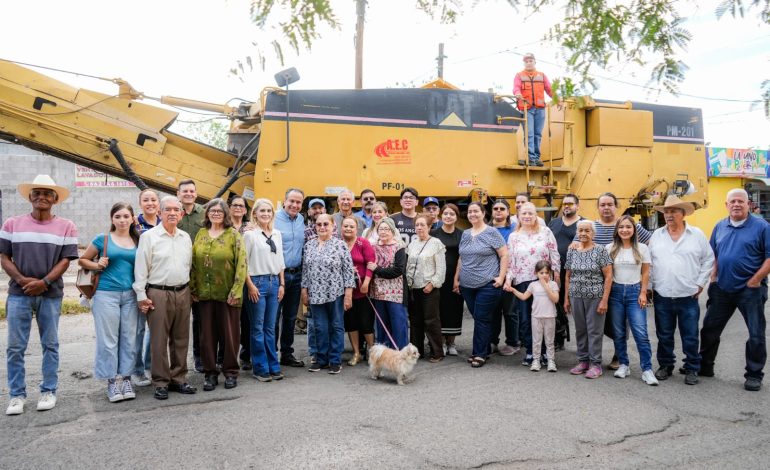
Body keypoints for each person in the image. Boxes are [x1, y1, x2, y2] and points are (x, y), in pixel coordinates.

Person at [2, 175, 78, 415]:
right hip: (19, 293)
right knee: (15, 347)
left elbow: (66, 260)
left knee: (51, 344)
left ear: (55, 199)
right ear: (30, 197)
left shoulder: (67, 226)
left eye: (47, 194)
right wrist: (24, 281)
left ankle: (49, 390)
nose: (42, 197)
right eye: (37, 193)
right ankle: (16, 395)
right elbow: (4, 257)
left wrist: (44, 282)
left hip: (50, 294)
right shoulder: (12, 223)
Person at [700, 189, 770, 391]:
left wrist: (756, 279)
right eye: (733, 201)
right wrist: (713, 277)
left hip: (751, 289)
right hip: (722, 288)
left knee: (756, 334)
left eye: (741, 201)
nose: (736, 204)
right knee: (710, 329)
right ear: (726, 204)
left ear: (749, 204)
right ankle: (705, 366)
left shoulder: (762, 227)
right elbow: (713, 253)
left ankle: (754, 374)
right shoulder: (720, 226)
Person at [133, 196, 197, 400]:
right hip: (158, 292)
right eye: (167, 209)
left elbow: (188, 266)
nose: (171, 213)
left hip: (183, 291)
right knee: (158, 339)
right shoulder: (149, 237)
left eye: (176, 210)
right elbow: (141, 268)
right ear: (160, 213)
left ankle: (179, 378)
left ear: (181, 214)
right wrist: (141, 295)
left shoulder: (185, 237)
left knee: (181, 338)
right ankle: (160, 381)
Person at [648, 195, 714, 385]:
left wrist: (701, 283)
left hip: (688, 295)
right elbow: (650, 264)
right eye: (667, 212)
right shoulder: (657, 236)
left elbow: (708, 259)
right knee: (664, 334)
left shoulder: (697, 235)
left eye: (674, 211)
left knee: (690, 335)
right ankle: (666, 365)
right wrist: (651, 287)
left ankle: (692, 367)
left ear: (683, 213)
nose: (669, 215)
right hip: (663, 294)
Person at [79, 202, 141, 402]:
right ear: (112, 219)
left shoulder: (138, 240)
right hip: (106, 295)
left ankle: (127, 379)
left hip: (131, 295)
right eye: (118, 216)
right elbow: (83, 260)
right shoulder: (103, 239)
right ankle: (112, 382)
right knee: (108, 340)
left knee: (129, 339)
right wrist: (97, 264)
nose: (122, 220)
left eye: (126, 216)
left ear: (133, 218)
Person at [588, 192, 652, 370]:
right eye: (603, 204)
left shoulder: (639, 240)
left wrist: (643, 291)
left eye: (610, 204)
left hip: (632, 289)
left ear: (616, 206)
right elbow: (580, 242)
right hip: (606, 288)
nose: (606, 207)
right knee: (611, 326)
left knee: (635, 330)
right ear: (598, 207)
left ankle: (640, 366)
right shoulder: (596, 231)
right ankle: (617, 361)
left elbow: (647, 266)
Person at [190, 198, 247, 391]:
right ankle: (210, 373)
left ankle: (230, 372)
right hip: (204, 295)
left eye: (219, 211)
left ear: (226, 214)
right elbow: (193, 263)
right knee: (207, 336)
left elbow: (241, 264)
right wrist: (193, 289)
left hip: (228, 295)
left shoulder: (233, 235)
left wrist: (236, 290)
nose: (215, 213)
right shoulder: (200, 234)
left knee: (229, 336)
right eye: (212, 210)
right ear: (207, 214)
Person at [505, 202, 560, 366]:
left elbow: (554, 253)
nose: (527, 216)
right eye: (524, 214)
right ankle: (531, 351)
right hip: (523, 281)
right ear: (519, 216)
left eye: (531, 213)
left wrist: (556, 274)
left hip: (543, 280)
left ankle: (544, 352)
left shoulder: (545, 232)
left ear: (536, 215)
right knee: (526, 319)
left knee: (544, 317)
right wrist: (509, 278)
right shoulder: (514, 236)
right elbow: (511, 261)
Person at [606, 215, 658, 386]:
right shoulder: (610, 248)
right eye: (621, 227)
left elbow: (645, 273)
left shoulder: (642, 248)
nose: (624, 230)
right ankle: (623, 364)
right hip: (615, 292)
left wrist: (643, 293)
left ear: (634, 230)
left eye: (628, 227)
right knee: (619, 332)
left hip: (635, 292)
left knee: (640, 333)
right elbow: (606, 274)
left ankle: (647, 369)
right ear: (617, 230)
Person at [456, 202, 508, 368]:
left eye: (476, 211)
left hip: (487, 283)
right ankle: (484, 348)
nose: (472, 214)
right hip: (466, 285)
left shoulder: (492, 232)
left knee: (481, 319)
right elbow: (461, 258)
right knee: (479, 317)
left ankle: (478, 354)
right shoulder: (465, 234)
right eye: (470, 212)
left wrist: (501, 278)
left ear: (483, 213)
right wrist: (456, 279)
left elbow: (505, 255)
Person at [301, 214, 355, 374]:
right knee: (320, 327)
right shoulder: (309, 245)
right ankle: (321, 359)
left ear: (333, 226)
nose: (322, 227)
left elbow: (348, 271)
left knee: (336, 326)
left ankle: (335, 360)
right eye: (319, 224)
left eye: (326, 224)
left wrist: (348, 294)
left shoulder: (340, 245)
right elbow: (305, 269)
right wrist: (304, 290)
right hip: (315, 293)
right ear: (315, 227)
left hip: (335, 292)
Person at [564, 220, 613, 379]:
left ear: (593, 233)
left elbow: (608, 276)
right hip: (576, 295)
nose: (583, 233)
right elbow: (568, 275)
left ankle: (596, 364)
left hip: (595, 296)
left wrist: (604, 300)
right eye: (581, 230)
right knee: (581, 330)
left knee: (594, 331)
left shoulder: (600, 250)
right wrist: (566, 298)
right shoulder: (572, 250)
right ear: (577, 232)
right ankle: (583, 361)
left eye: (587, 231)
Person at [243, 199, 286, 382]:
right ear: (255, 214)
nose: (266, 214)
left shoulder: (276, 233)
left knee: (270, 327)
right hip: (257, 282)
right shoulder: (250, 235)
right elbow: (243, 263)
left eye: (269, 211)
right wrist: (250, 285)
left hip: (274, 281)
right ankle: (260, 367)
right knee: (258, 327)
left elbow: (280, 261)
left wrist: (282, 284)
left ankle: (273, 365)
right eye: (262, 211)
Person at [406, 214, 446, 362]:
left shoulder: (436, 243)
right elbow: (409, 265)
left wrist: (433, 283)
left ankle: (437, 352)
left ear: (429, 227)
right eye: (417, 225)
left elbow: (441, 269)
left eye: (423, 225)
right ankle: (417, 352)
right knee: (415, 321)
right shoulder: (412, 244)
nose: (419, 227)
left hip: (429, 288)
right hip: (413, 288)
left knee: (431, 320)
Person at [175, 179, 206, 372]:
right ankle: (177, 363)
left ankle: (199, 358)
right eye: (184, 191)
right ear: (178, 194)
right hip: (178, 274)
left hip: (201, 274)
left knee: (200, 321)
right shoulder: (172, 212)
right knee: (178, 323)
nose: (188, 193)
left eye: (192, 191)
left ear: (196, 194)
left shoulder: (204, 214)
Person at [274, 188, 307, 367]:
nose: (294, 205)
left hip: (297, 275)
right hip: (279, 275)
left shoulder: (302, 220)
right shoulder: (274, 218)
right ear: (285, 201)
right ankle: (272, 354)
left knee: (290, 317)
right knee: (273, 317)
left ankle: (287, 353)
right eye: (291, 201)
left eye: (298, 202)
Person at [132, 188, 161, 387]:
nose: (150, 203)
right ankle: (137, 369)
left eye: (153, 199)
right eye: (146, 200)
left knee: (155, 329)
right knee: (138, 329)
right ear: (140, 203)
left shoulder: (164, 222)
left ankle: (151, 366)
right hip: (140, 281)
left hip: (158, 283)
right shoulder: (134, 224)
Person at [508, 261, 559, 372]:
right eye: (541, 273)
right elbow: (523, 297)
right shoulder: (533, 285)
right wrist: (513, 290)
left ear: (550, 273)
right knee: (537, 340)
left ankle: (551, 360)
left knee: (549, 340)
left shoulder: (553, 284)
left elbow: (555, 299)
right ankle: (536, 360)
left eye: (546, 272)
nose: (544, 275)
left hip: (550, 316)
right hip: (536, 317)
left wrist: (546, 286)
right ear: (536, 273)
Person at [367, 218, 409, 350]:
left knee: (398, 323)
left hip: (395, 293)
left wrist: (377, 269)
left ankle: (401, 352)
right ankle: (384, 354)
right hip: (378, 292)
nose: (383, 232)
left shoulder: (399, 247)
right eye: (381, 229)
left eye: (386, 229)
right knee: (381, 324)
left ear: (392, 231)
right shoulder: (373, 247)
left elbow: (398, 270)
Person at [547, 193, 582, 350]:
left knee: (576, 307)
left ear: (577, 205)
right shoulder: (553, 223)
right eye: (564, 204)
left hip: (577, 273)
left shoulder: (584, 223)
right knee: (556, 305)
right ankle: (558, 337)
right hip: (555, 272)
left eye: (570, 203)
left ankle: (584, 344)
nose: (566, 206)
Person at [340, 215, 376, 366]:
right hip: (345, 291)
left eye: (351, 226)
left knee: (366, 323)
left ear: (357, 229)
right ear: (341, 228)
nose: (348, 229)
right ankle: (356, 353)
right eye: (345, 226)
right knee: (351, 323)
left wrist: (367, 281)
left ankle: (372, 352)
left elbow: (371, 262)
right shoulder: (338, 244)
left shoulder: (363, 243)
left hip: (362, 290)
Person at [431, 204, 465, 356]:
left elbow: (462, 257)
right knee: (438, 310)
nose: (448, 216)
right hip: (437, 277)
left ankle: (451, 343)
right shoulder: (433, 233)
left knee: (454, 310)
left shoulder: (462, 235)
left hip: (455, 277)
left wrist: (457, 279)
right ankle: (441, 342)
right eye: (445, 213)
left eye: (452, 214)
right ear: (441, 216)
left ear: (456, 217)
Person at [490, 199, 520, 356]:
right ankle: (492, 341)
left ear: (508, 212)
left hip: (510, 277)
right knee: (493, 311)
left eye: (502, 208)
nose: (499, 211)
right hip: (490, 277)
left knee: (510, 312)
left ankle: (513, 343)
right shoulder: (486, 229)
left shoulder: (515, 231)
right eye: (496, 208)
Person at [514, 52, 552, 167]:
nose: (528, 63)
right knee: (529, 133)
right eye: (526, 61)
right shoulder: (519, 75)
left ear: (535, 62)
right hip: (527, 108)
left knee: (537, 134)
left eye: (530, 61)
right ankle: (531, 157)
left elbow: (550, 89)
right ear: (524, 63)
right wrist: (518, 93)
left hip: (540, 109)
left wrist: (558, 100)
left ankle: (536, 157)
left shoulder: (542, 75)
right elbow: (516, 87)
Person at [229, 196, 252, 370]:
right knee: (229, 320)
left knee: (247, 319)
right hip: (228, 278)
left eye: (241, 206)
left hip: (248, 278)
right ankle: (227, 356)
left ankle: (245, 355)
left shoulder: (251, 227)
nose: (238, 208)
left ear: (245, 210)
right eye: (234, 205)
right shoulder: (223, 227)